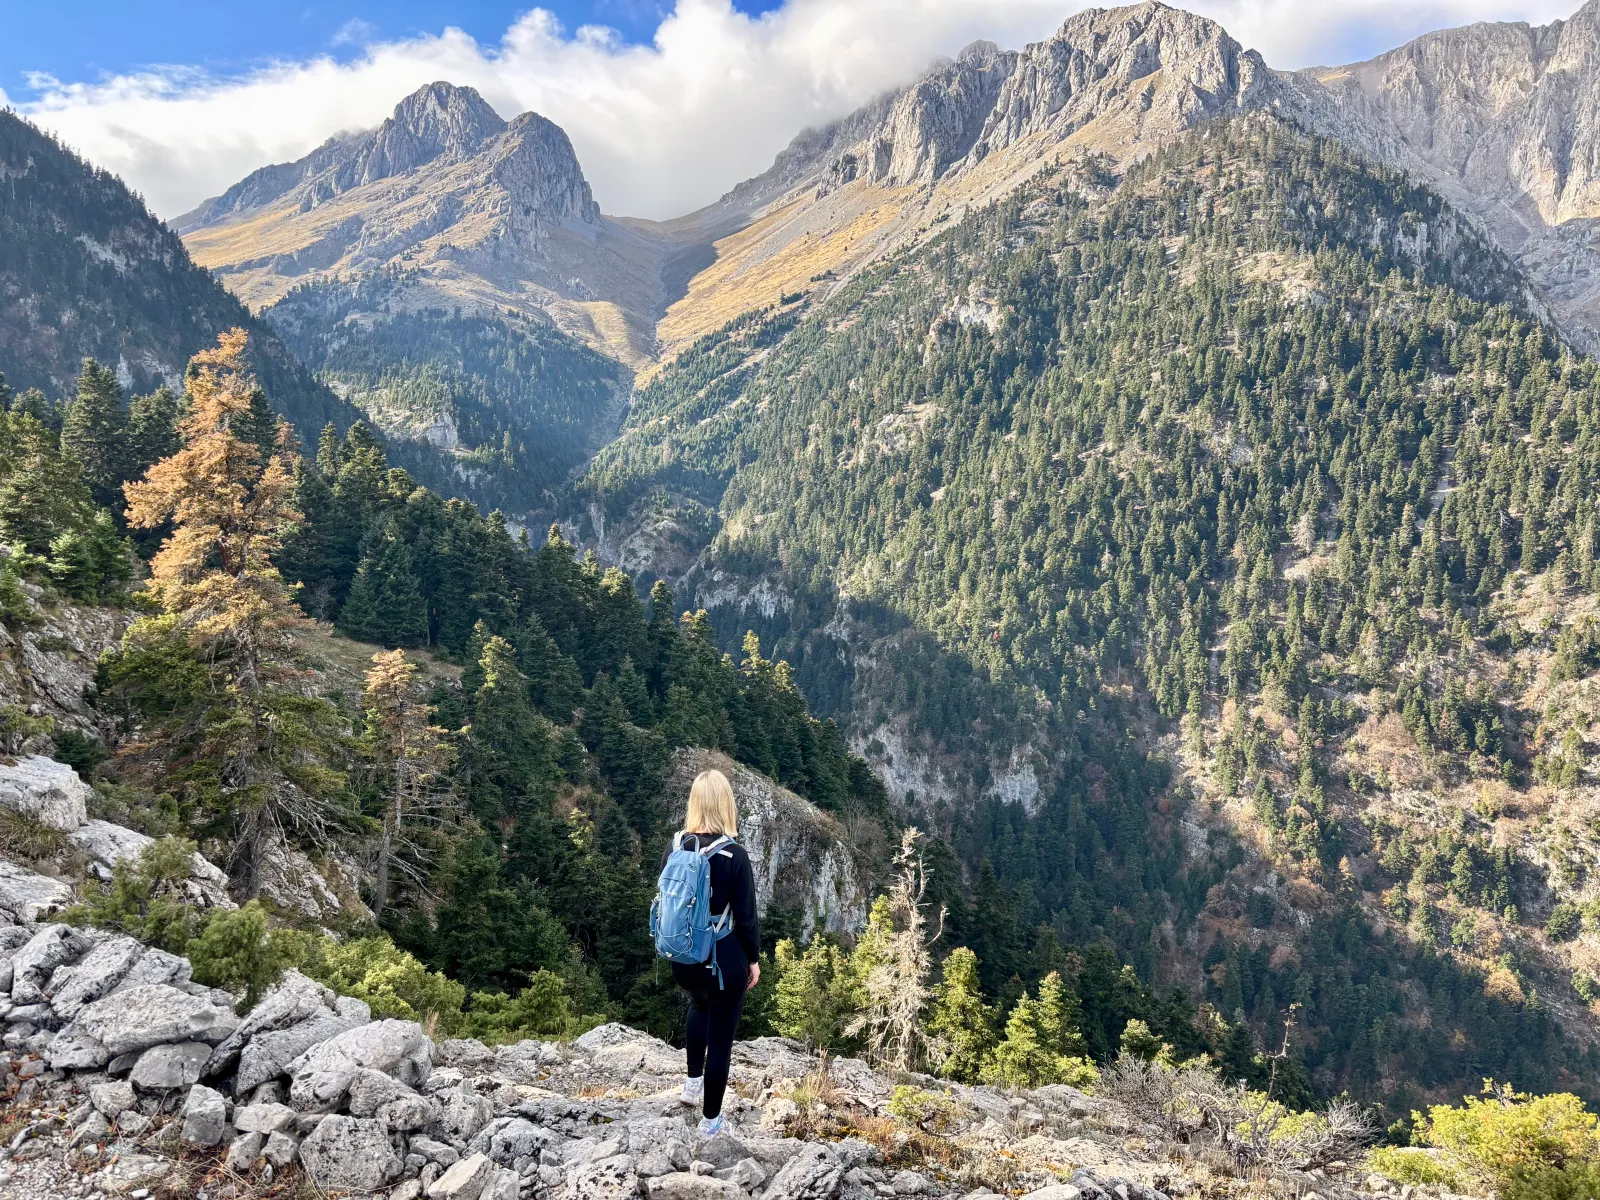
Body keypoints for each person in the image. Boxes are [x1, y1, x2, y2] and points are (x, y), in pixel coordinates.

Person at [665, 768, 760, 1137]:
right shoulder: (733, 855)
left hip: (683, 958)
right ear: (726, 805)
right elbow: (747, 917)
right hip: (722, 961)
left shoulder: (674, 847)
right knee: (721, 1038)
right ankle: (711, 1124)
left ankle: (691, 1085)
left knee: (698, 1006)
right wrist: (752, 960)